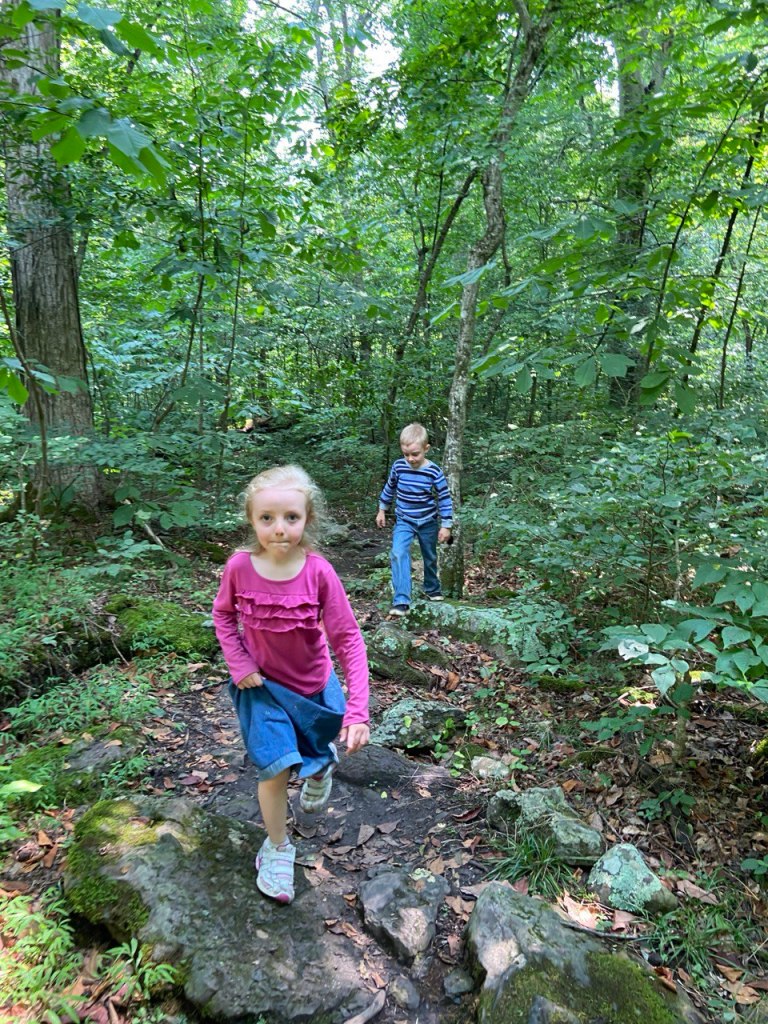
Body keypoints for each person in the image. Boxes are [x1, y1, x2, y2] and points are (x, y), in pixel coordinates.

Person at [212, 465, 370, 905]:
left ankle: (321, 767)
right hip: (261, 689)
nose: (279, 529)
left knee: (315, 754)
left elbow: (348, 639)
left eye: (291, 518)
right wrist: (238, 661)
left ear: (307, 518)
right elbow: (224, 615)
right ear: (251, 520)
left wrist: (358, 709)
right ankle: (278, 847)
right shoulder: (239, 568)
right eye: (267, 519)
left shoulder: (319, 572)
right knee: (275, 767)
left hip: (314, 689)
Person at [375, 422, 453, 617]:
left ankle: (431, 587)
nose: (410, 459)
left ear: (426, 449)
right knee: (398, 552)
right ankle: (401, 599)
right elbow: (389, 487)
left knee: (429, 555)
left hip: (428, 520)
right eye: (406, 454)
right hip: (404, 520)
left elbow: (444, 498)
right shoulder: (399, 466)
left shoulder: (433, 471)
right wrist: (382, 509)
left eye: (415, 454)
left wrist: (446, 525)